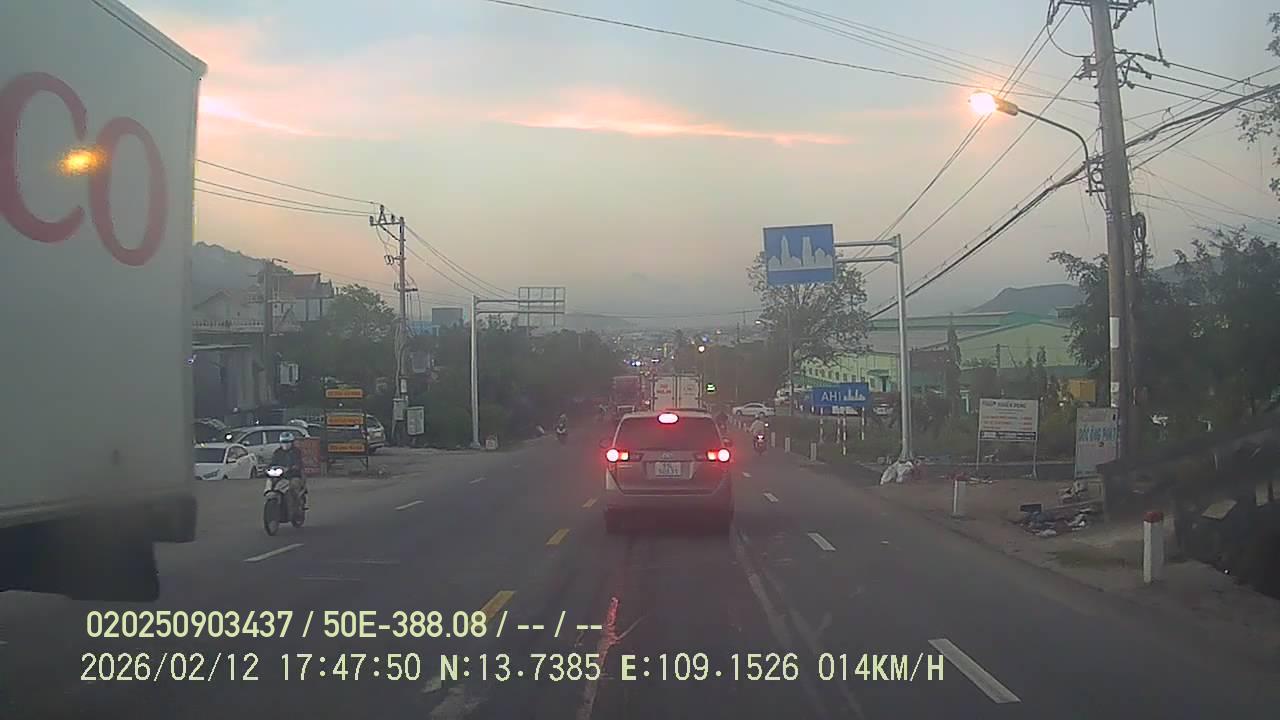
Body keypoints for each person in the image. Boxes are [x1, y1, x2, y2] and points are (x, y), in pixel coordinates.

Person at [268, 432, 308, 510]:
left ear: (292, 442)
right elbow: (272, 463)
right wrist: (268, 468)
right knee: (270, 481)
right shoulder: (277, 452)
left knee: (293, 487)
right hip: (280, 476)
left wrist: (291, 468)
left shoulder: (296, 452)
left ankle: (297, 506)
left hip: (293, 475)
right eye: (283, 442)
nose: (285, 444)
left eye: (287, 442)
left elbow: (298, 463)